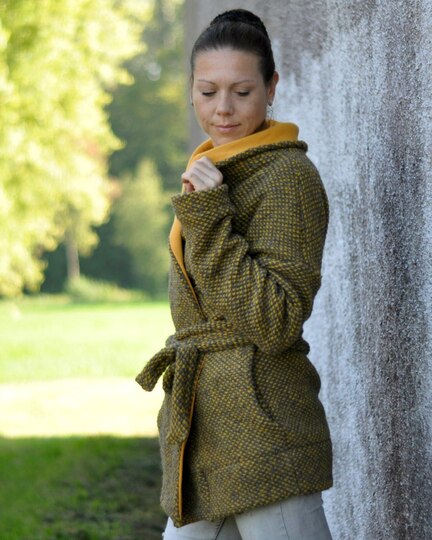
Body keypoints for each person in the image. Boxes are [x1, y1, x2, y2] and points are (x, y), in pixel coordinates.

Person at [136, 8, 333, 540]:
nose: (222, 108)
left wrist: (208, 218)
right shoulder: (214, 170)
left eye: (242, 92)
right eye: (207, 91)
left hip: (265, 429)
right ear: (191, 91)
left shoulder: (287, 177)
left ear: (271, 88)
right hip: (206, 435)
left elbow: (277, 320)